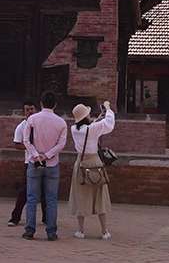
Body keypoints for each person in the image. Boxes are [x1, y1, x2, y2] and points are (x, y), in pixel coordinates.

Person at [21, 90, 67, 241]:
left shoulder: (32, 119)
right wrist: (46, 156)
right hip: (52, 164)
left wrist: (36, 156)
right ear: (55, 105)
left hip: (34, 163)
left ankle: (29, 230)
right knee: (51, 199)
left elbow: (26, 141)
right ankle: (51, 232)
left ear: (41, 104)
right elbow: (61, 144)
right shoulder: (61, 123)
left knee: (32, 198)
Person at [68, 100, 115, 240]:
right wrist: (108, 109)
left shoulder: (74, 129)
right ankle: (104, 231)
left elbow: (87, 130)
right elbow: (109, 124)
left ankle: (81, 231)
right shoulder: (92, 129)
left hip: (81, 163)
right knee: (99, 196)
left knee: (81, 196)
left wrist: (97, 120)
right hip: (94, 162)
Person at [9, 100, 48, 227]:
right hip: (30, 161)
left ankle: (46, 217)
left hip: (44, 159)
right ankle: (15, 217)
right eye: (28, 110)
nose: (30, 111)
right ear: (24, 112)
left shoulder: (41, 124)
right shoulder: (22, 127)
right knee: (25, 190)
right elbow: (17, 144)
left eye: (32, 109)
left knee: (45, 191)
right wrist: (29, 147)